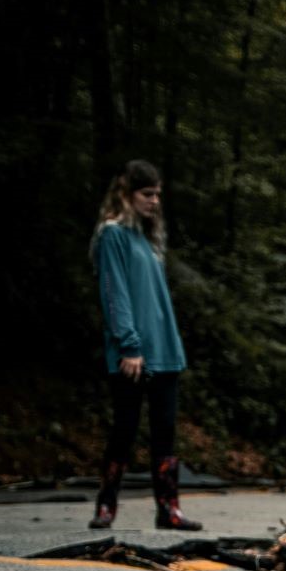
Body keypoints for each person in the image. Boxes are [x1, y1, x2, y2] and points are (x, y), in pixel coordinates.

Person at [89, 159, 202, 531]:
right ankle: (106, 506)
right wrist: (129, 344)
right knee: (124, 429)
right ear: (126, 193)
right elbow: (114, 293)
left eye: (157, 195)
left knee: (165, 432)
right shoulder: (113, 235)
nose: (154, 201)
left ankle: (168, 509)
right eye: (147, 194)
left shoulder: (147, 240)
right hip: (133, 353)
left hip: (164, 351)